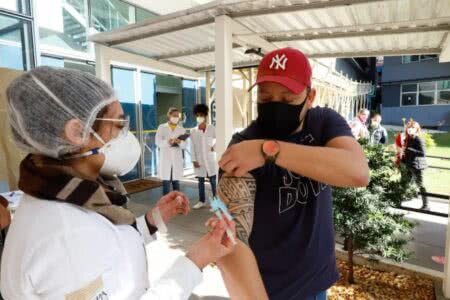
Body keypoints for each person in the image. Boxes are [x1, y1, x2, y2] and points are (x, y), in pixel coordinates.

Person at [0, 67, 236, 299]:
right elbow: (89, 242)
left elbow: (107, 248)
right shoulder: (65, 237)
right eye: (119, 125)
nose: (126, 136)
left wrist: (152, 221)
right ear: (77, 132)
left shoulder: (74, 193)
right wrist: (194, 261)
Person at [216, 48, 369, 299]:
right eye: (265, 99)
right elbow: (227, 238)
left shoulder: (322, 123)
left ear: (310, 97)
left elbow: (358, 173)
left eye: (287, 100)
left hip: (318, 283)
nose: (276, 106)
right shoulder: (241, 147)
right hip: (268, 291)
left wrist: (268, 151)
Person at [190, 104, 217, 209]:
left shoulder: (212, 128)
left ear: (205, 115)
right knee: (200, 181)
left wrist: (214, 148)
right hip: (199, 160)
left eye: (201, 115)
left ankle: (216, 203)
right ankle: (201, 201)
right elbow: (192, 146)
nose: (199, 117)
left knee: (213, 182)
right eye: (197, 115)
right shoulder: (193, 131)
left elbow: (220, 138)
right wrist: (193, 160)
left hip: (210, 160)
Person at [156, 107, 186, 195]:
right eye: (174, 115)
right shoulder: (162, 127)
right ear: (169, 115)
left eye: (177, 116)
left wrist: (179, 141)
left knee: (176, 184)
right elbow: (157, 142)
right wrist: (167, 142)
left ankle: (178, 204)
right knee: (166, 184)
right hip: (166, 160)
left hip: (176, 160)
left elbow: (185, 145)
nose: (176, 117)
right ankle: (166, 206)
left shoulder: (181, 129)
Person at [402, 120, 429, 210]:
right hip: (409, 165)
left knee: (420, 185)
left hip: (417, 166)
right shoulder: (408, 139)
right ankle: (401, 200)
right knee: (405, 183)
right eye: (409, 127)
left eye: (412, 128)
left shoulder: (418, 139)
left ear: (417, 129)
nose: (410, 129)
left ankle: (426, 205)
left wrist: (410, 149)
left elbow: (423, 153)